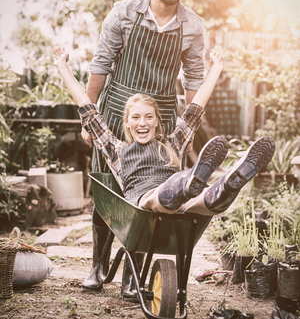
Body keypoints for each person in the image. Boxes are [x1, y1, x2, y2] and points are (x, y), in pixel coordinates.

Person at [82, 0, 206, 295]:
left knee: (150, 189)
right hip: (118, 109)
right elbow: (100, 65)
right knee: (108, 187)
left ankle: (132, 273)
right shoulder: (124, 12)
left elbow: (195, 80)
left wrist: (189, 130)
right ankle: (98, 264)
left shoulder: (193, 25)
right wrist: (88, 116)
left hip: (162, 115)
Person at [54, 46, 275, 235]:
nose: (143, 123)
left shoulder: (173, 143)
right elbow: (88, 108)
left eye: (149, 117)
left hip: (179, 206)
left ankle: (226, 185)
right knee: (156, 198)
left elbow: (195, 109)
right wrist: (63, 67)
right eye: (136, 118)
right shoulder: (116, 149)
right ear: (127, 123)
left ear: (157, 121)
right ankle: (190, 184)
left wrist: (216, 69)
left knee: (204, 201)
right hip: (144, 202)